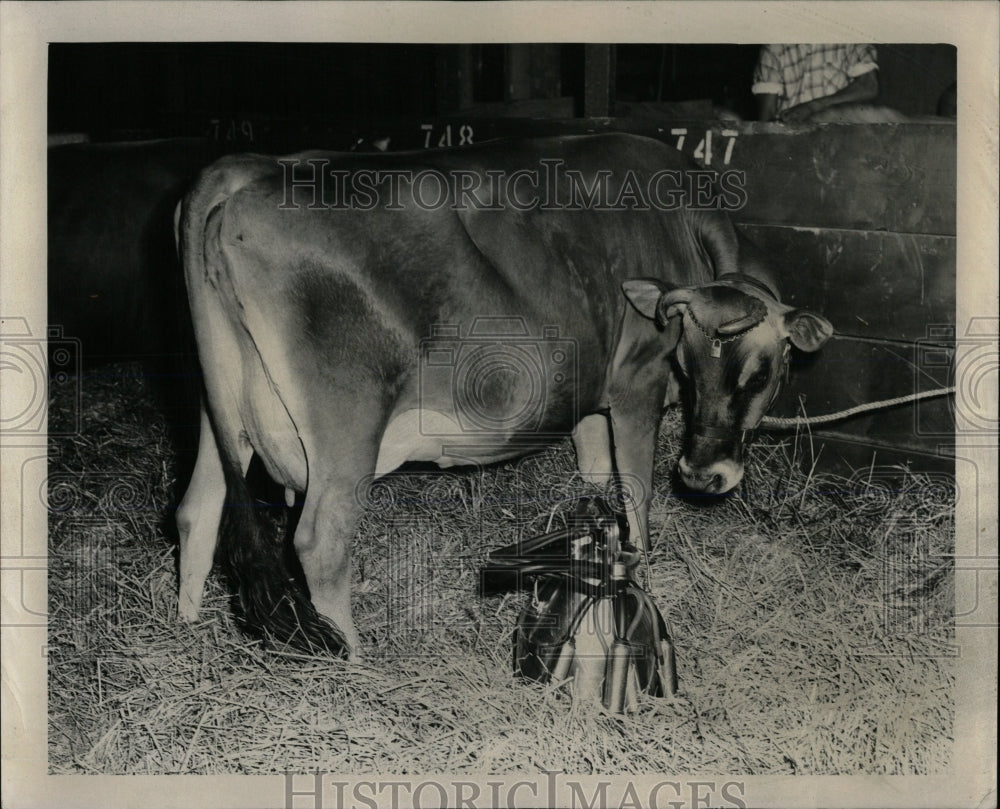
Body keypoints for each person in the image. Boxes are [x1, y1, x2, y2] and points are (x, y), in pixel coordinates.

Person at [752, 44, 879, 122]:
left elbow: (868, 86)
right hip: (792, 138)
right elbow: (766, 116)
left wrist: (813, 107)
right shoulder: (774, 46)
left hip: (837, 132)